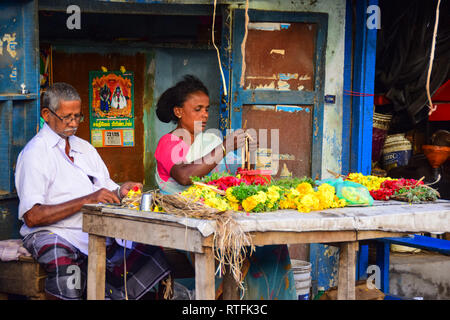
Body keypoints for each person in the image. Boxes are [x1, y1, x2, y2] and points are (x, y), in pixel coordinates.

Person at [15, 83, 170, 300]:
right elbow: (33, 216)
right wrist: (88, 199)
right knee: (64, 263)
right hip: (54, 232)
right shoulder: (35, 153)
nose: (73, 123)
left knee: (148, 249)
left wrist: (121, 190)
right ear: (46, 115)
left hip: (92, 230)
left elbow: (105, 187)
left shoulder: (84, 148)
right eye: (66, 117)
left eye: (78, 117)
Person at [154, 75, 297, 300]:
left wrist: (249, 151)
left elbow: (230, 179)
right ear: (179, 112)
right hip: (189, 224)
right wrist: (225, 146)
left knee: (272, 246)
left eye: (206, 109)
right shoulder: (169, 143)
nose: (204, 114)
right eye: (197, 109)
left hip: (216, 218)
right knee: (241, 251)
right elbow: (184, 176)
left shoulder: (208, 143)